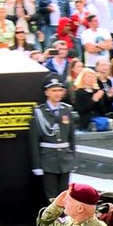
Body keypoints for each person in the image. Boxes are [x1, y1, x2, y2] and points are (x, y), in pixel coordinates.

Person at [29, 74, 77, 202]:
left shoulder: (66, 110)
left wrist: (73, 159)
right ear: (46, 92)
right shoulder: (39, 112)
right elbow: (33, 141)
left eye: (60, 90)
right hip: (48, 159)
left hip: (65, 159)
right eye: (54, 90)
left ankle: (63, 221)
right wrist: (36, 165)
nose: (57, 93)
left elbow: (71, 137)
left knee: (65, 196)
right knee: (51, 197)